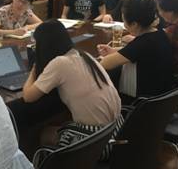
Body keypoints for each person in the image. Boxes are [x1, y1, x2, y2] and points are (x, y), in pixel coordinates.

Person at [22, 19, 121, 151]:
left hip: (99, 142)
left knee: (45, 133)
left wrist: (35, 67)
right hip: (118, 130)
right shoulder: (84, 55)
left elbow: (28, 96)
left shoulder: (59, 63)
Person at [98, 0, 175, 101]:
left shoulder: (142, 43)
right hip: (162, 97)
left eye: (124, 21)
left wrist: (104, 57)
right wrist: (114, 51)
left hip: (141, 102)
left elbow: (105, 64)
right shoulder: (159, 34)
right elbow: (134, 52)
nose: (124, 25)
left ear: (134, 24)